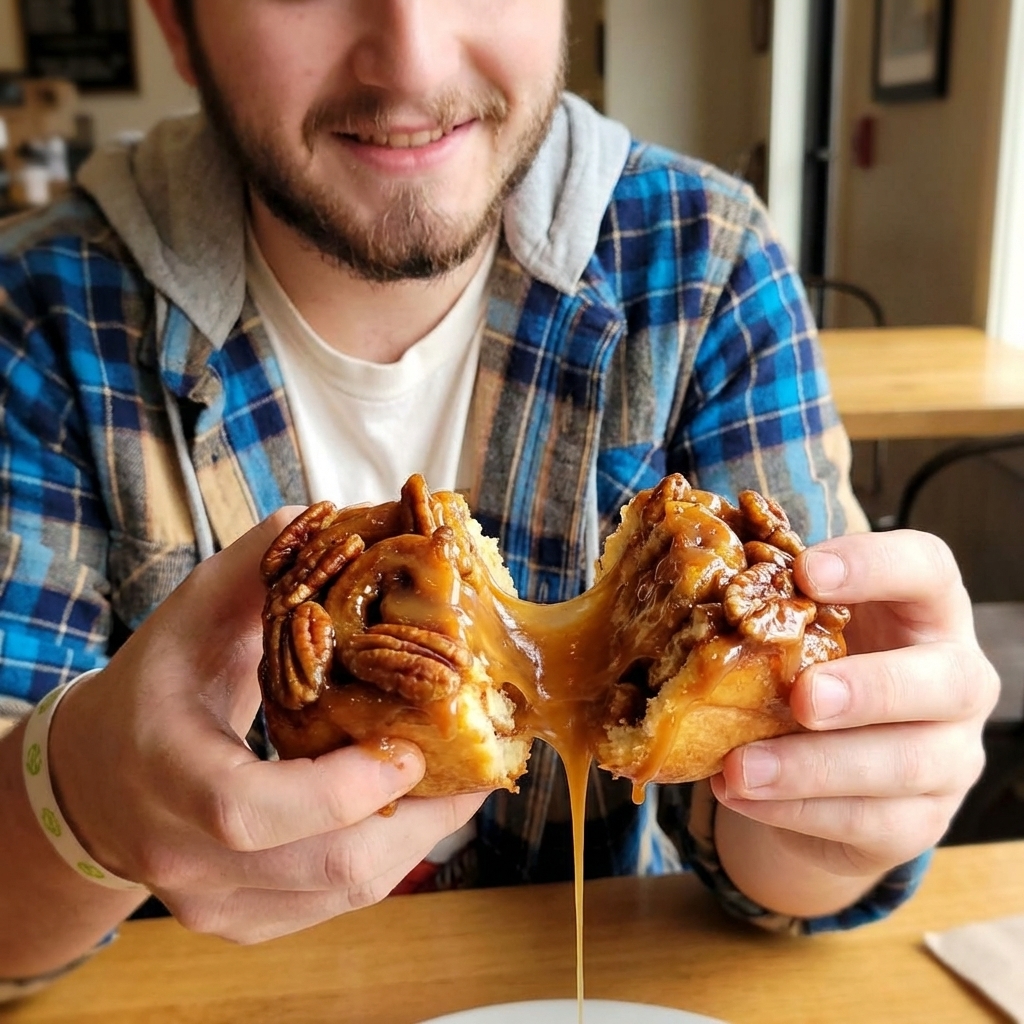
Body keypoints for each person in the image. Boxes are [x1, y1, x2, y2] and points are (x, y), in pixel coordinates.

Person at [0, 0, 999, 999]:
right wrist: (78, 798)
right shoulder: (41, 313)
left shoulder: (706, 263)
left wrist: (842, 820)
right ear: (175, 24)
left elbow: (765, 863)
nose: (411, 59)